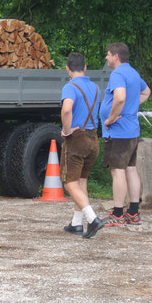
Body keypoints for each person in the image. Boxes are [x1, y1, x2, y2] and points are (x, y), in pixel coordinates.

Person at [100, 43, 151, 226]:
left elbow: (120, 97)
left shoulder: (118, 74)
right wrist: (132, 106)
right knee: (130, 169)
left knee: (117, 170)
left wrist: (111, 118)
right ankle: (133, 212)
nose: (106, 57)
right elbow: (146, 92)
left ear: (115, 56)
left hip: (119, 132)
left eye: (108, 54)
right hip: (132, 131)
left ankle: (118, 214)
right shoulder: (133, 73)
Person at [60, 52, 104, 239]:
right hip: (93, 138)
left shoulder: (70, 87)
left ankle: (93, 219)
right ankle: (77, 223)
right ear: (85, 67)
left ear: (67, 69)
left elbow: (67, 109)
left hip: (77, 139)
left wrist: (67, 130)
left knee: (69, 182)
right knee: (81, 182)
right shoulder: (95, 87)